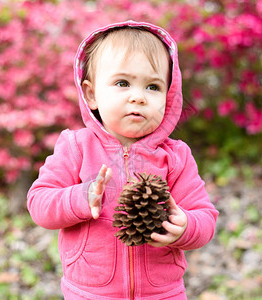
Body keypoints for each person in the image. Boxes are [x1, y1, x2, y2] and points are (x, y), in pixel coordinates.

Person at [27, 20, 219, 299]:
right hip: (90, 292)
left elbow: (205, 217)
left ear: (169, 95)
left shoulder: (175, 156)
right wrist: (82, 197)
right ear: (91, 94)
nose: (138, 97)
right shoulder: (77, 147)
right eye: (122, 83)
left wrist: (186, 226)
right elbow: (39, 202)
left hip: (162, 293)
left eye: (153, 87)